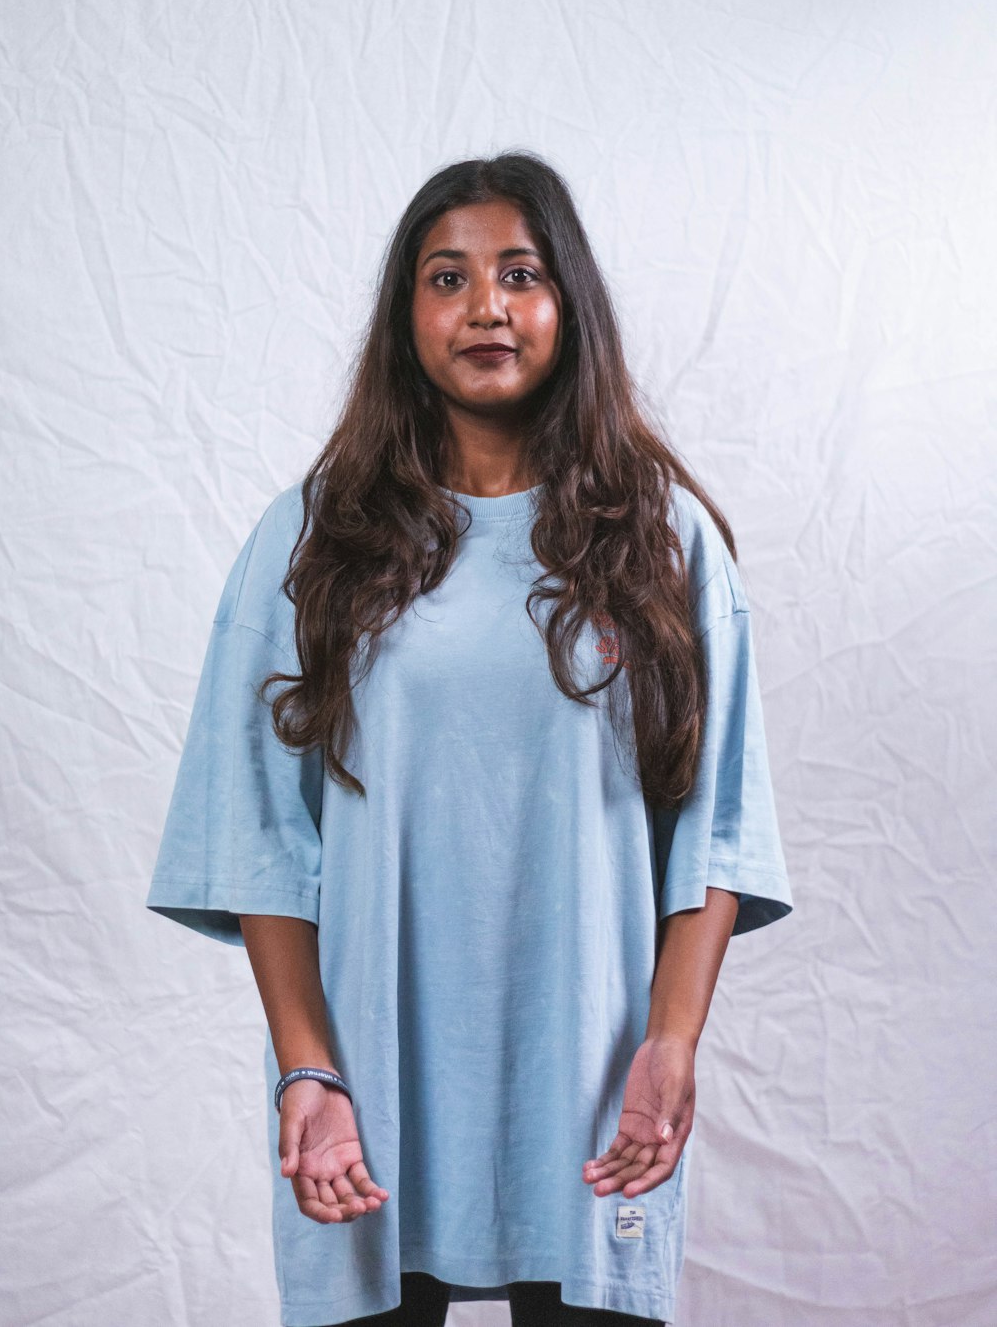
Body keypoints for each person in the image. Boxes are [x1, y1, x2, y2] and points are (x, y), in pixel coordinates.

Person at [145, 150, 793, 1327]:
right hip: (368, 1096)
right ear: (406, 318)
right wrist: (308, 1068)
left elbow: (717, 823)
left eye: (519, 273)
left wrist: (670, 1044)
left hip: (601, 1091)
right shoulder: (313, 536)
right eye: (447, 277)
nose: (485, 305)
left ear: (569, 307)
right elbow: (257, 834)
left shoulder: (665, 539)